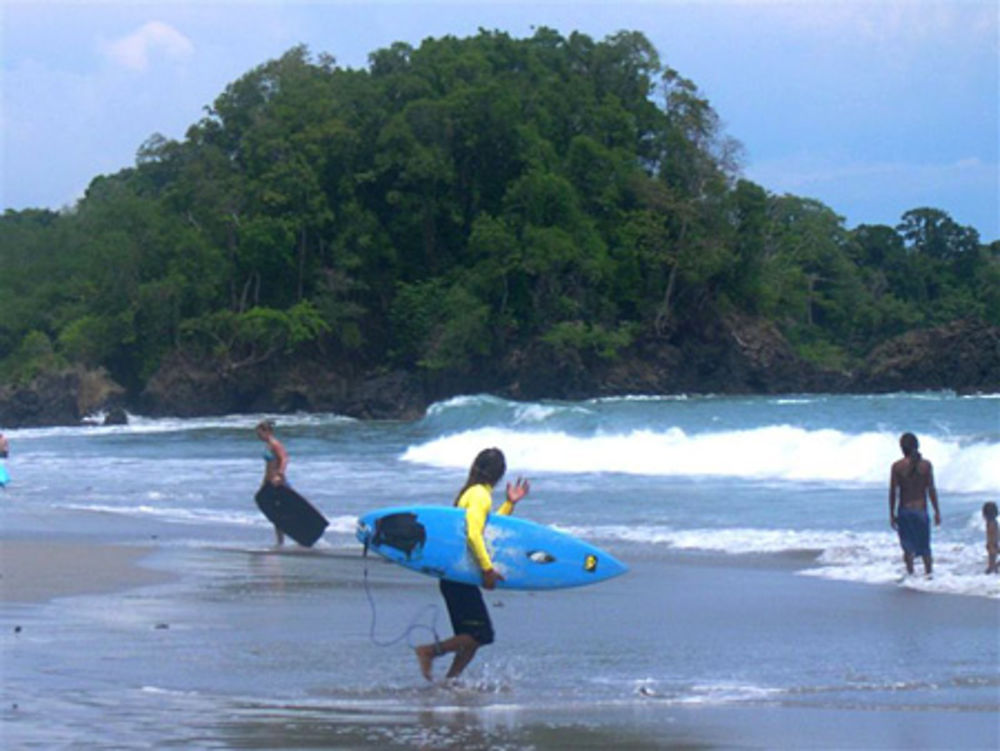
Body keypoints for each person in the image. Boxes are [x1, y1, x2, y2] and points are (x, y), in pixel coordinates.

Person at [415, 447, 530, 682]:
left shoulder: (473, 492)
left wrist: (509, 504)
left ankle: (449, 682)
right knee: (480, 634)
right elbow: (474, 535)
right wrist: (487, 569)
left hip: (458, 573)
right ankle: (428, 652)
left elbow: (486, 532)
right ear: (499, 474)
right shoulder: (480, 495)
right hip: (458, 575)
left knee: (472, 637)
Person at [888, 432, 941, 576]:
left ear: (902, 448)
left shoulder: (897, 466)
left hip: (904, 510)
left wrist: (891, 514)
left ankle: (910, 574)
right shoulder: (926, 465)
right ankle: (929, 575)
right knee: (925, 547)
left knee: (907, 548)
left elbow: (893, 492)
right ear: (917, 446)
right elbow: (931, 490)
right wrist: (937, 511)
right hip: (920, 511)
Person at [255, 420, 290, 545]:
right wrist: (264, 483)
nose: (258, 436)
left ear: (268, 431)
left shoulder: (275, 444)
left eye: (260, 433)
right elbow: (268, 466)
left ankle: (282, 540)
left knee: (280, 512)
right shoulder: (268, 445)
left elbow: (284, 459)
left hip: (278, 483)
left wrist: (279, 475)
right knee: (275, 513)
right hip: (270, 482)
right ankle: (280, 541)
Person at [983, 502, 999, 575]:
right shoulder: (993, 522)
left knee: (991, 564)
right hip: (994, 544)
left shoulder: (991, 523)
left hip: (993, 544)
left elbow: (992, 535)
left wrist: (990, 544)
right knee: (992, 564)